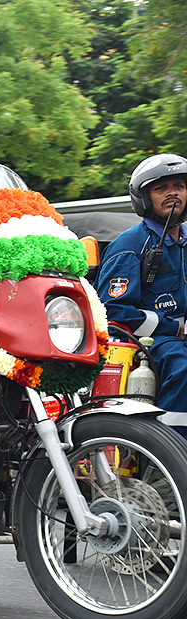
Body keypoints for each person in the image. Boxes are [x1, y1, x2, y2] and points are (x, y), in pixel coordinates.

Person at [98, 153, 187, 436]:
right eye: (161, 188)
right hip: (152, 342)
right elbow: (113, 312)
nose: (172, 193)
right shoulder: (130, 246)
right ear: (144, 198)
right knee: (182, 367)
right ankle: (172, 456)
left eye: (179, 186)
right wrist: (177, 328)